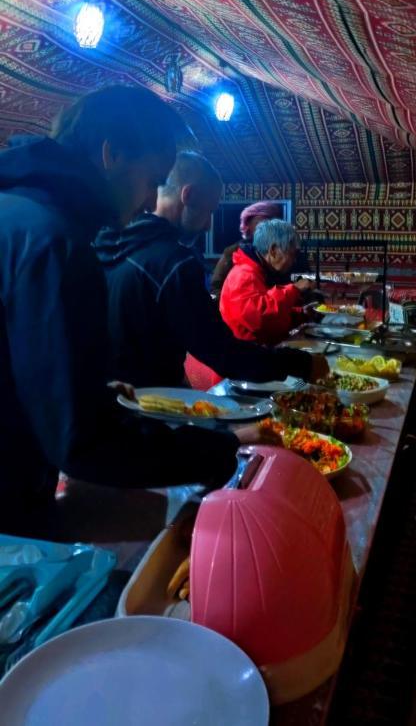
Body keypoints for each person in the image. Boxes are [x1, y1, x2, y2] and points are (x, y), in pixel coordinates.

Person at [0, 86, 242, 536]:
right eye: (152, 180)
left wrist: (89, 387)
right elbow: (81, 442)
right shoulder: (55, 241)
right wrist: (217, 449)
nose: (152, 202)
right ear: (111, 154)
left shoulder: (16, 211)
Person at [95, 151, 328, 388]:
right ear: (189, 195)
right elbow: (222, 352)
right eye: (208, 212)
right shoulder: (174, 264)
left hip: (109, 403)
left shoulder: (105, 244)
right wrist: (299, 364)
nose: (208, 226)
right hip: (152, 409)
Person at [220, 219, 314, 345]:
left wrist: (301, 314)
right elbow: (259, 318)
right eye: (291, 254)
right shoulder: (244, 275)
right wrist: (294, 289)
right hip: (246, 355)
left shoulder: (258, 270)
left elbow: (270, 315)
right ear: (273, 250)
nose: (294, 261)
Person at [210, 201, 283, 298]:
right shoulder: (233, 251)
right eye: (262, 224)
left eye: (273, 224)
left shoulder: (284, 251)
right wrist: (235, 305)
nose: (268, 228)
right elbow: (216, 288)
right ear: (247, 226)